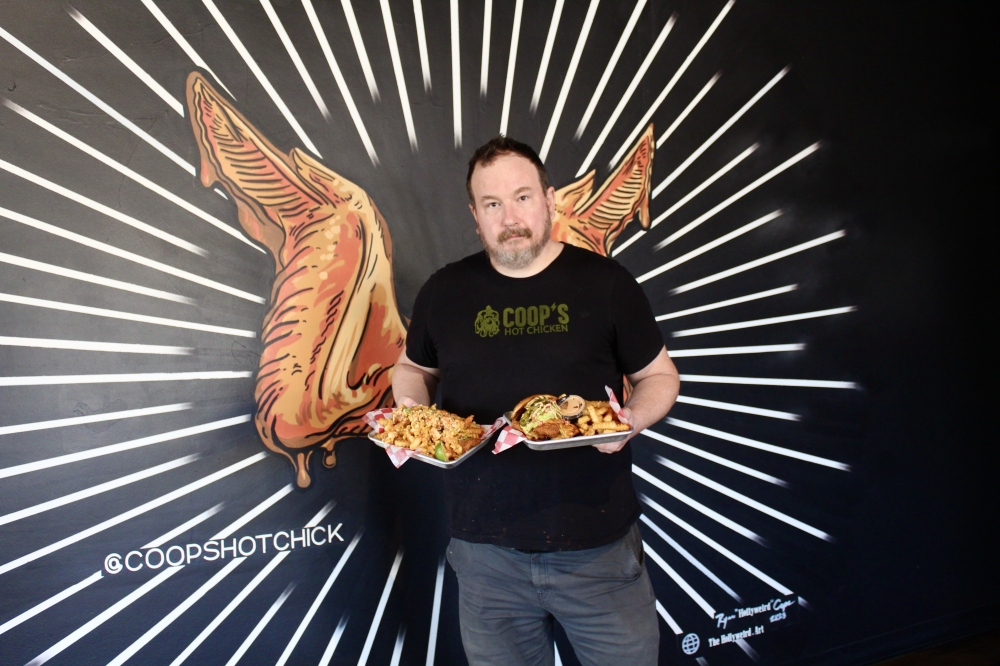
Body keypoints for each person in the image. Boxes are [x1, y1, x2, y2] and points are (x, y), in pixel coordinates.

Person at [392, 136, 680, 666]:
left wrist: (633, 420)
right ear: (475, 215)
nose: (511, 217)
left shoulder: (607, 284)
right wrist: (412, 415)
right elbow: (412, 368)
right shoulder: (444, 291)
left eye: (523, 197)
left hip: (597, 553)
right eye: (492, 204)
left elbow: (660, 375)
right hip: (485, 558)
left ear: (550, 200)